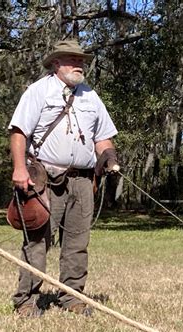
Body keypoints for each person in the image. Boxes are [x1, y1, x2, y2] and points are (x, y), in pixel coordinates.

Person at [8, 39, 119, 317]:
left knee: (78, 243)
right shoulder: (39, 91)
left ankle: (72, 298)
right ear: (56, 63)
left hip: (82, 181)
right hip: (45, 178)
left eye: (81, 60)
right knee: (37, 242)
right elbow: (19, 131)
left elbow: (103, 137)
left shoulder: (91, 96)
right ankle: (26, 301)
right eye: (72, 60)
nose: (79, 65)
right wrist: (20, 169)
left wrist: (109, 157)